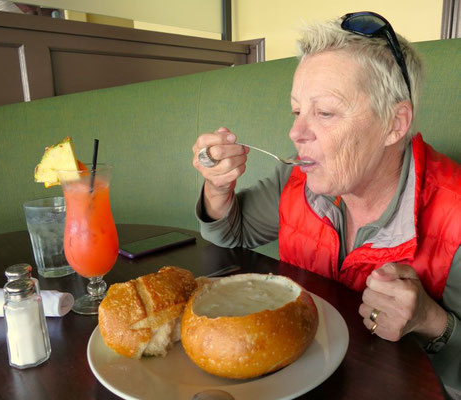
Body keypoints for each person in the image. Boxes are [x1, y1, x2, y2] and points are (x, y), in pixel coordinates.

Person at [191, 11, 461, 398]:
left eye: (325, 112)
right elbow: (231, 233)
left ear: (395, 123)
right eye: (297, 110)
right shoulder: (300, 179)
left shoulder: (456, 216)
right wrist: (217, 188)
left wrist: (432, 322)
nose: (296, 132)